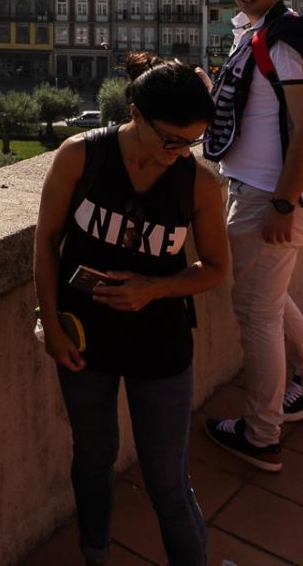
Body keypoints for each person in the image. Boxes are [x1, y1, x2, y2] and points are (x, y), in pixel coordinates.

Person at [34, 52, 228, 566]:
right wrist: (50, 322)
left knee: (167, 479)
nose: (180, 152)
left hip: (160, 344)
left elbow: (214, 269)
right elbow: (47, 239)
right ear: (135, 113)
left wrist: (153, 288)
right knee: (93, 460)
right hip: (84, 337)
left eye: (191, 141)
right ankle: (95, 556)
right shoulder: (81, 156)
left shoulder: (198, 181)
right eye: (171, 139)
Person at [199, 0, 303, 473]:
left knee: (255, 313)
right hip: (258, 189)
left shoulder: (284, 42)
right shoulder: (255, 33)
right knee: (269, 297)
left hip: (272, 195)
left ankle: (261, 434)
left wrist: (283, 201)